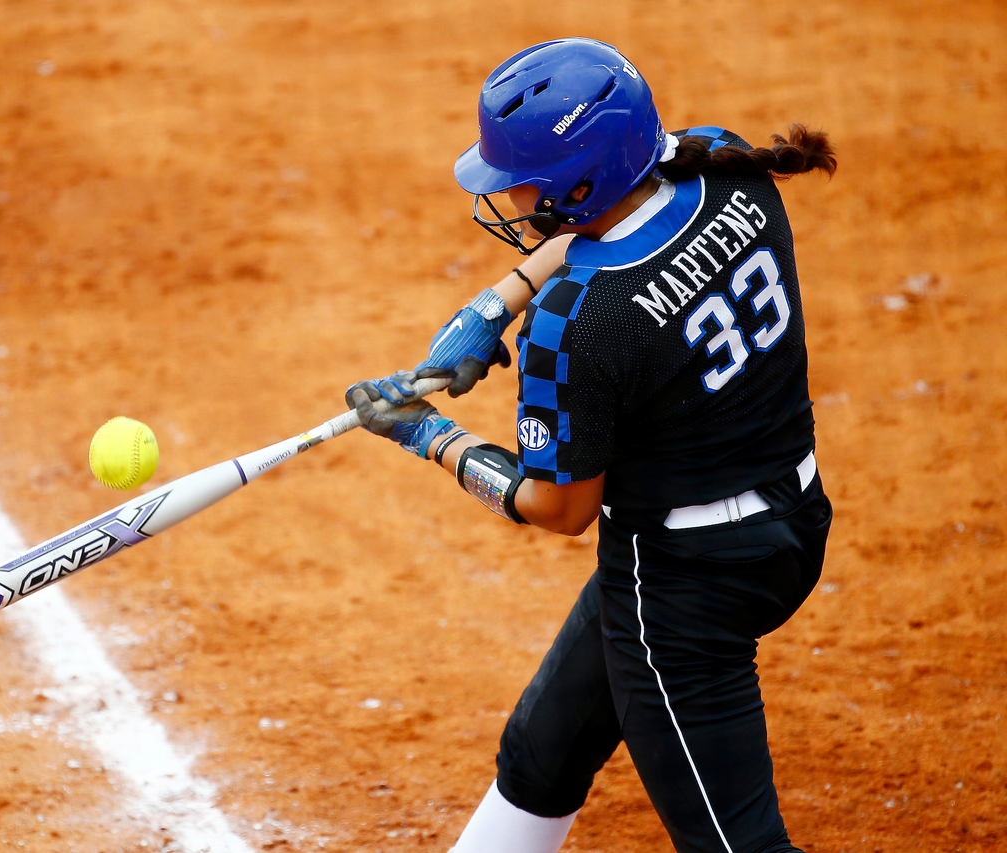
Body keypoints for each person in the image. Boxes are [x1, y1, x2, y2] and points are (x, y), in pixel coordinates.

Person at [346, 38, 837, 853]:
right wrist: (496, 303)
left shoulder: (580, 325)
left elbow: (560, 506)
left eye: (524, 181)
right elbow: (620, 223)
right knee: (544, 751)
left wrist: (432, 438)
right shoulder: (726, 169)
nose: (511, 195)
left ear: (579, 183)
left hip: (686, 590)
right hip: (792, 514)